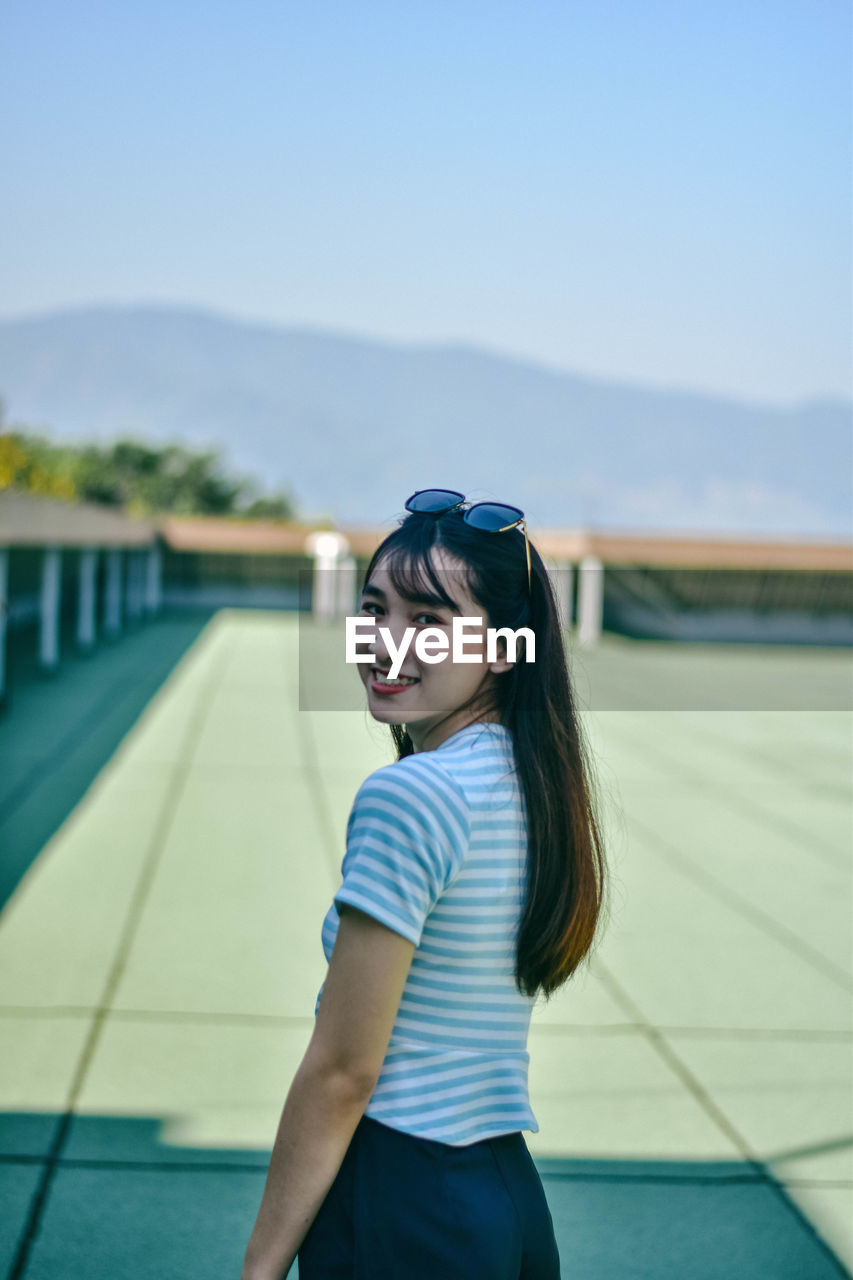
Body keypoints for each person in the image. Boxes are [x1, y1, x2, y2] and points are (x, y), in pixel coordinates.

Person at [241, 490, 609, 1280]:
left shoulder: (413, 795)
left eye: (429, 622)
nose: (387, 642)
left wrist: (260, 1267)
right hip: (502, 1200)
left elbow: (345, 1071)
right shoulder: (535, 782)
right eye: (375, 610)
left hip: (400, 1203)